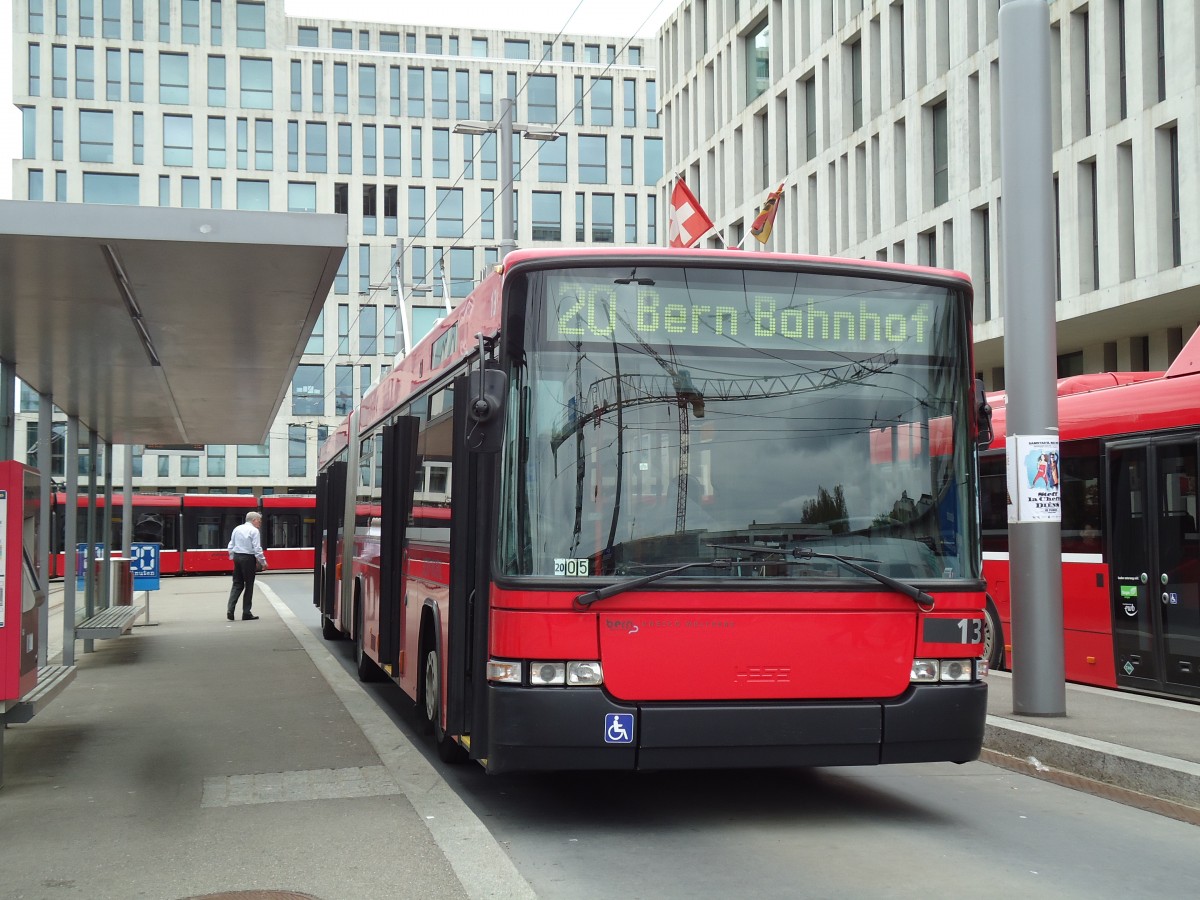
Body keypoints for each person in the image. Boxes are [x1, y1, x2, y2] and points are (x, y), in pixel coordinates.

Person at [227, 511, 267, 621]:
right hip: (248, 558)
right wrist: (263, 562)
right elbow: (257, 548)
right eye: (259, 521)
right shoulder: (254, 531)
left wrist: (233, 557)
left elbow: (231, 545)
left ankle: (230, 609)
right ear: (254, 520)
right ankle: (246, 612)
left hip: (237, 557)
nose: (260, 523)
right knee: (249, 585)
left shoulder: (237, 529)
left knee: (237, 584)